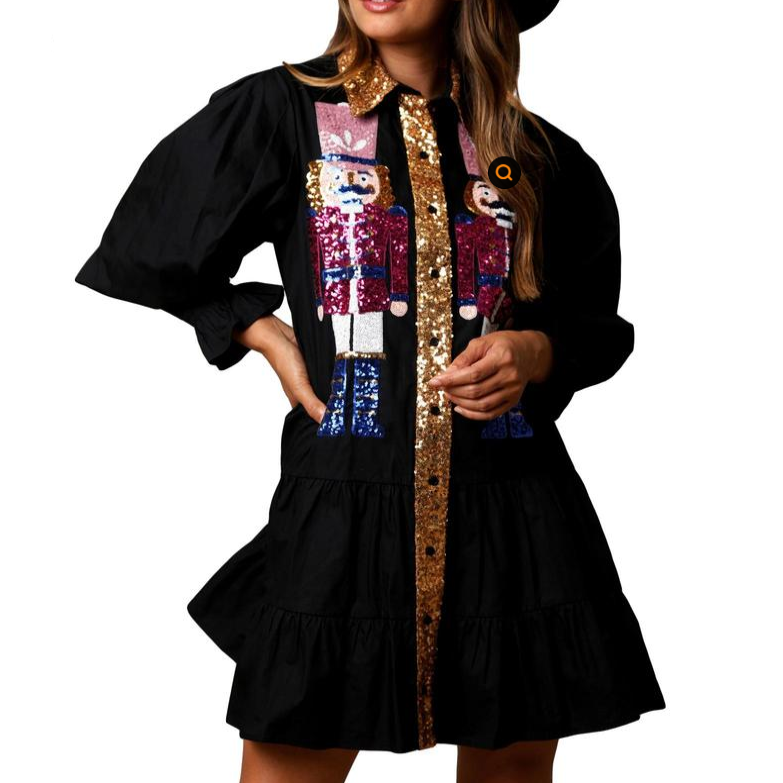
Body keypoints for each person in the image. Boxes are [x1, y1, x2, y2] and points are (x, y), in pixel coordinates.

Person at [74, 0, 666, 780]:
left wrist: (533, 350)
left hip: (514, 510)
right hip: (342, 502)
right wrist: (257, 330)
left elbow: (593, 323)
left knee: (512, 764)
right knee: (291, 754)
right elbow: (146, 245)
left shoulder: (535, 153)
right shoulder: (281, 111)